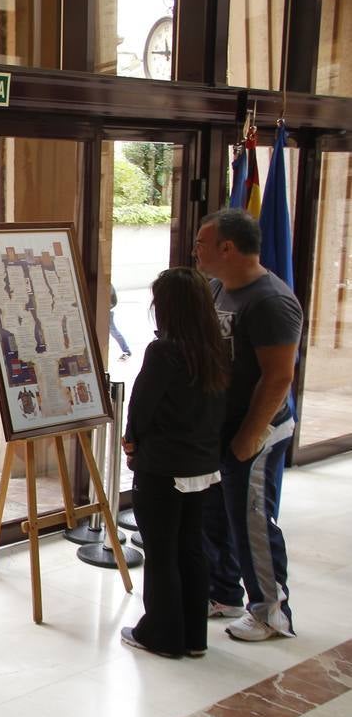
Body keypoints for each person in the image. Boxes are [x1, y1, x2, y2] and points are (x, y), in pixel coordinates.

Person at [192, 208, 303, 642]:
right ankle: (223, 593)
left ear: (228, 247)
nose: (195, 250)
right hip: (223, 427)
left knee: (252, 520)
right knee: (215, 513)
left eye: (202, 242)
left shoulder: (271, 301)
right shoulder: (219, 288)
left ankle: (272, 612)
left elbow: (278, 377)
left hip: (256, 430)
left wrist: (248, 438)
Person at [120, 268, 228, 658]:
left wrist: (131, 442)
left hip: (163, 466)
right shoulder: (214, 347)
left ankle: (162, 634)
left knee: (162, 551)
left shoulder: (164, 351)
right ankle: (194, 636)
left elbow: (142, 405)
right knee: (190, 547)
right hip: (202, 465)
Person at [108, 284, 132, 360]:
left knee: (113, 331)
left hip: (106, 310)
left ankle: (126, 351)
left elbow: (113, 301)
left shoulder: (106, 285)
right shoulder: (105, 284)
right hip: (105, 309)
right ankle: (126, 351)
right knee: (113, 331)